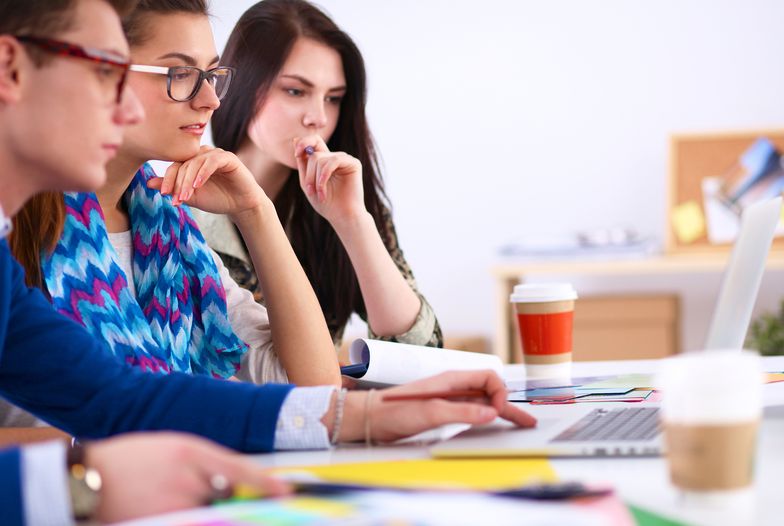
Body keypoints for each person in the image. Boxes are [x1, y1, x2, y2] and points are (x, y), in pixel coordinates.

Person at [0, 1, 536, 522]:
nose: (129, 106)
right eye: (103, 72)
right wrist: (86, 476)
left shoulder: (166, 228)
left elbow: (125, 402)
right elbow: (119, 418)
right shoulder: (34, 239)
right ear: (11, 69)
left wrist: (364, 414)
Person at [8, 0, 340, 398]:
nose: (210, 100)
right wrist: (109, 444)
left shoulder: (169, 234)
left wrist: (255, 213)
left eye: (211, 75)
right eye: (179, 73)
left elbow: (314, 391)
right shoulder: (16, 220)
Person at [206, 0, 442, 350]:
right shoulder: (182, 208)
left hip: (326, 404)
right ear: (243, 85)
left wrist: (352, 222)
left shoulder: (342, 199)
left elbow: (419, 351)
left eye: (333, 98)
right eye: (296, 91)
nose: (318, 116)